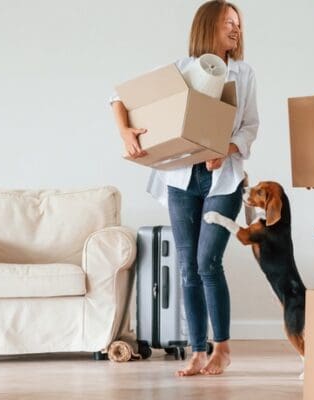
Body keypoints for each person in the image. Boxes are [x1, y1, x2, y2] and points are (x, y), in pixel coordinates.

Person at [110, 0, 258, 377]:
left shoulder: (243, 73)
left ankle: (221, 348)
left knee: (208, 262)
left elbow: (250, 126)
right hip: (181, 180)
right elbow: (119, 97)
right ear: (208, 26)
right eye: (228, 23)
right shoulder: (181, 70)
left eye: (238, 23)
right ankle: (197, 351)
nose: (236, 29)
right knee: (188, 267)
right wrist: (126, 131)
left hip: (223, 180)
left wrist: (225, 149)